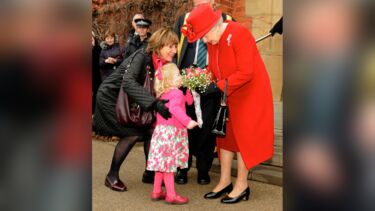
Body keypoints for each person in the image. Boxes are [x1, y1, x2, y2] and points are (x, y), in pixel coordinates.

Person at [181, 4, 274, 203]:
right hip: (228, 94)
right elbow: (214, 69)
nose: (204, 41)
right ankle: (224, 181)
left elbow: (246, 72)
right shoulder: (214, 40)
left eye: (204, 36)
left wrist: (217, 87)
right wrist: (202, 80)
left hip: (249, 94)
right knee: (224, 137)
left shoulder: (239, 33)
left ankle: (241, 185)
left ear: (215, 25)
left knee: (242, 139)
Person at [93, 27, 179, 191]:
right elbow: (129, 83)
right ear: (160, 45)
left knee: (150, 130)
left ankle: (150, 172)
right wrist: (154, 104)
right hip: (111, 97)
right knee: (132, 133)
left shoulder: (161, 61)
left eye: (176, 46)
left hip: (129, 99)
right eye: (171, 46)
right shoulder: (142, 56)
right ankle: (111, 176)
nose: (174, 50)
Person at [174, 0, 234, 185]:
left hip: (212, 82)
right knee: (184, 127)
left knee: (207, 128)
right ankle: (182, 169)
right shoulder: (184, 19)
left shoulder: (226, 19)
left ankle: (203, 169)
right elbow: (175, 48)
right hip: (186, 81)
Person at [146, 63, 199, 204]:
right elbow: (176, 109)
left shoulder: (165, 93)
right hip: (172, 134)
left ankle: (156, 191)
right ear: (169, 80)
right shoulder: (176, 93)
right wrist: (188, 122)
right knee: (169, 166)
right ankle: (171, 195)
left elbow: (187, 102)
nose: (180, 76)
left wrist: (188, 89)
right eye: (177, 75)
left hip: (161, 133)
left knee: (161, 164)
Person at [92, 31, 102, 114]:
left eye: (92, 38)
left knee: (96, 92)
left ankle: (95, 111)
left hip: (97, 75)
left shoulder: (99, 49)